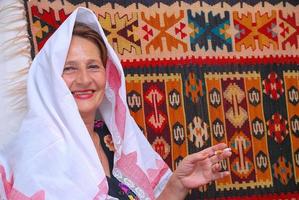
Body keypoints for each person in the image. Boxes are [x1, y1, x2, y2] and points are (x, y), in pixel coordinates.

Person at [0, 7, 231, 200]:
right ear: (49, 79)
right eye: (69, 68)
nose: (84, 80)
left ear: (107, 76)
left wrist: (176, 186)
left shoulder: (115, 141)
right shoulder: (32, 158)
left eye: (93, 66)